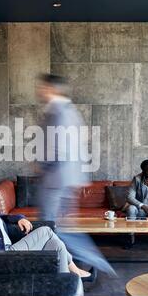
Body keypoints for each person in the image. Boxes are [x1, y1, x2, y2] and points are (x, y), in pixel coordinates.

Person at [0, 164, 93, 279]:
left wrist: (19, 218)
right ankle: (74, 271)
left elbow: (1, 217)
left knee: (56, 245)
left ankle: (64, 284)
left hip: (6, 250)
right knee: (46, 231)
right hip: (0, 256)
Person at [35, 73, 116, 278]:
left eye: (42, 87)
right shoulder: (66, 110)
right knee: (59, 226)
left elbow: (60, 147)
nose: (39, 91)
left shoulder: (59, 112)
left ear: (52, 89)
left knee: (49, 225)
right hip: (63, 179)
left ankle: (74, 264)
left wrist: (42, 165)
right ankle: (70, 263)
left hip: (55, 179)